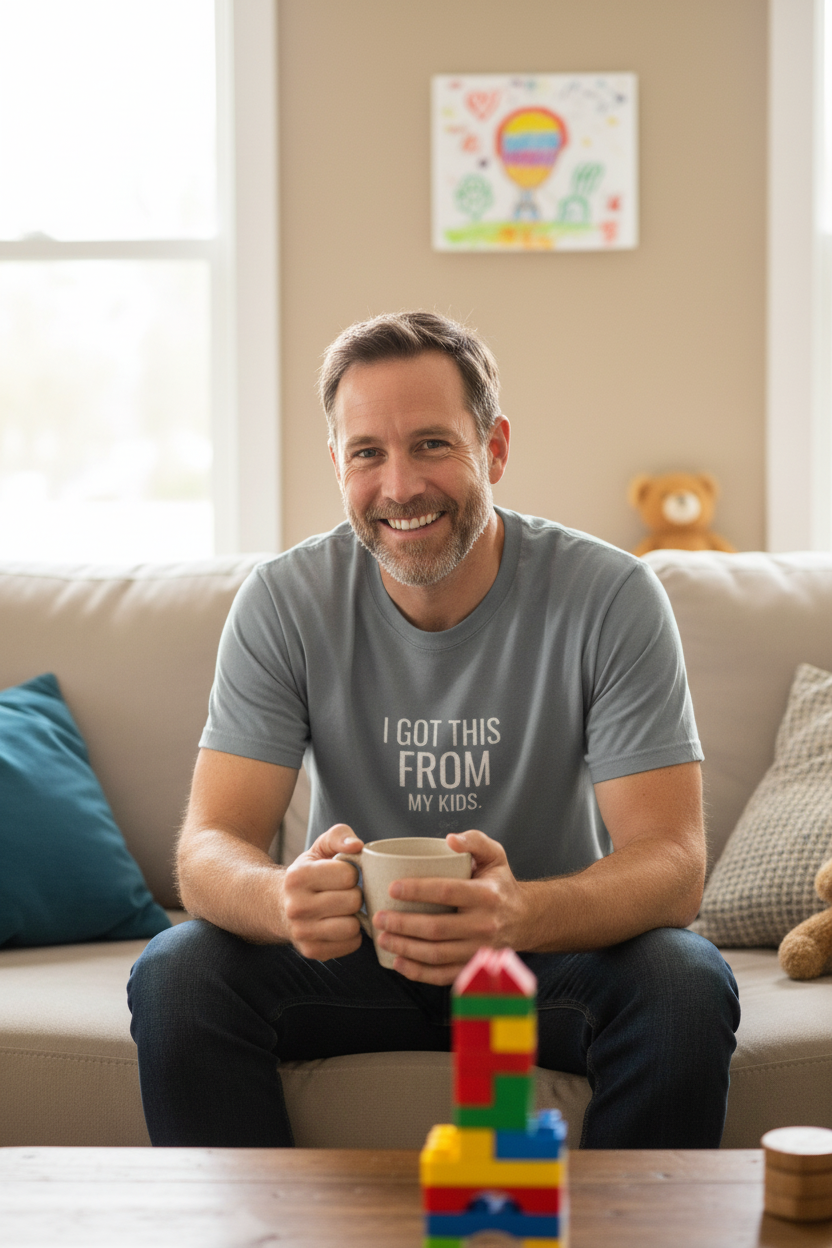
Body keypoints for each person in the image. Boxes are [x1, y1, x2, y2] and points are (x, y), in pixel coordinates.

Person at [128, 311, 739, 1149]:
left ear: (493, 449)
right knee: (177, 973)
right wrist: (280, 899)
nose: (400, 487)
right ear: (338, 465)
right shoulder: (283, 601)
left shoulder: (610, 596)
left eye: (432, 445)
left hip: (532, 955)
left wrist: (517, 911)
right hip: (347, 961)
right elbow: (208, 850)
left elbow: (673, 866)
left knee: (684, 981)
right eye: (367, 453)